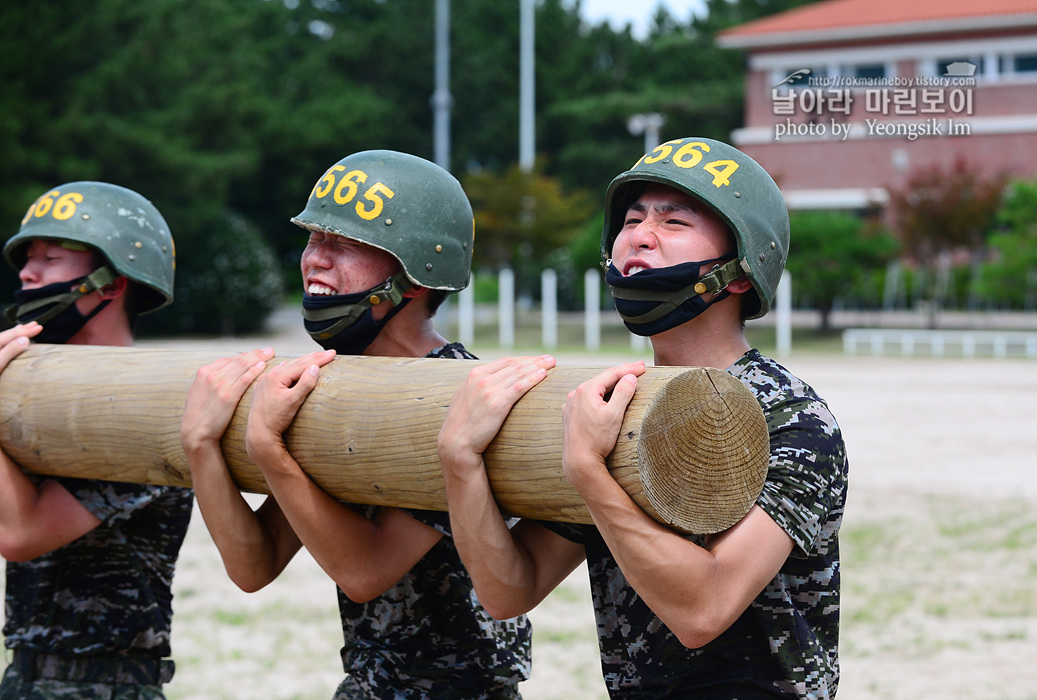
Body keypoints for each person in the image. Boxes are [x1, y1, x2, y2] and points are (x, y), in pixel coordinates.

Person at [439, 137, 848, 699]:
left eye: (674, 220)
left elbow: (704, 608)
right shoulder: (611, 402)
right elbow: (511, 588)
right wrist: (459, 460)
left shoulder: (793, 418)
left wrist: (589, 470)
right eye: (632, 219)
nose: (639, 235)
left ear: (740, 271)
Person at [180, 150, 530, 699]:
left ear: (414, 278)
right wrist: (200, 445)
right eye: (314, 239)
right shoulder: (337, 382)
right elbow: (254, 565)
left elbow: (367, 572)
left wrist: (270, 449)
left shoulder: (458, 394)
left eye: (341, 244)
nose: (314, 260)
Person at [0, 182, 190, 698]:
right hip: (24, 674)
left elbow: (19, 533)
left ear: (110, 284)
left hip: (104, 683)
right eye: (27, 258)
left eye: (51, 257)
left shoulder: (140, 400)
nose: (27, 273)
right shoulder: (30, 380)